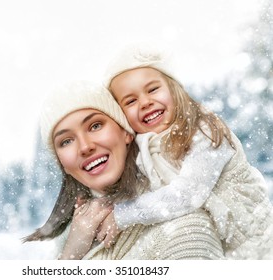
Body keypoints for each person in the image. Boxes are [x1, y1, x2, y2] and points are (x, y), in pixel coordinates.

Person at [98, 44, 273, 259]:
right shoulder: (145, 151)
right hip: (219, 252)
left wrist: (122, 215)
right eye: (131, 101)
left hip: (257, 245)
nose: (145, 102)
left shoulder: (204, 131)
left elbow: (187, 195)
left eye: (153, 89)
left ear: (174, 89)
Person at [23, 80, 224, 260]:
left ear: (126, 132)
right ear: (63, 165)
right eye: (66, 141)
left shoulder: (186, 232)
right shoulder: (73, 236)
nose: (85, 147)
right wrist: (70, 256)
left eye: (95, 126)